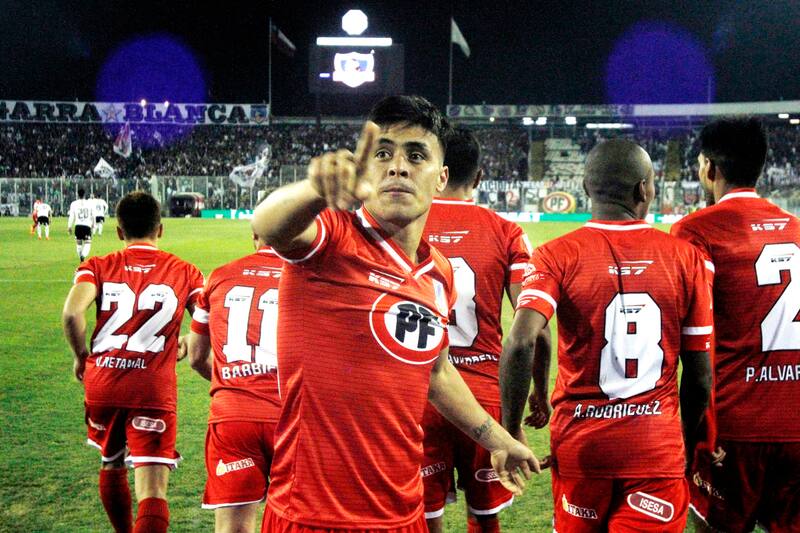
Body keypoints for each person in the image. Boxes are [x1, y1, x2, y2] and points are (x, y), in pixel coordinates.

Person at [251, 95, 540, 533]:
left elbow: (438, 372)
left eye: (416, 155)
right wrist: (314, 189)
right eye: (383, 153)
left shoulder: (437, 272)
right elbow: (270, 225)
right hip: (313, 515)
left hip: (403, 515)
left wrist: (498, 440)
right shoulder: (332, 236)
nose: (398, 167)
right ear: (365, 169)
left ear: (441, 178)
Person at [500, 139, 713, 532]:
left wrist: (510, 428)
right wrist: (688, 443)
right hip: (655, 449)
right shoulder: (686, 258)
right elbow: (699, 377)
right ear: (644, 189)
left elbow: (520, 341)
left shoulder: (554, 254)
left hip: (583, 449)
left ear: (585, 188)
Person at [671, 117, 800, 533]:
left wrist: (691, 439)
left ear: (710, 168)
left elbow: (689, 348)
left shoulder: (695, 232)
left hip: (733, 428)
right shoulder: (797, 229)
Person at [420, 127, 550, 533]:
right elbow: (536, 329)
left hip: (418, 395)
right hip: (483, 397)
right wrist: (539, 392)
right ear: (478, 178)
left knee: (423, 516)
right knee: (485, 515)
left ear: (437, 172)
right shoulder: (506, 231)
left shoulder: (403, 224)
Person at [62, 191, 204, 533]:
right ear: (161, 229)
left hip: (104, 381)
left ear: (119, 231)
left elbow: (71, 313)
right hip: (151, 387)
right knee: (153, 489)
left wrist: (81, 356)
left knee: (111, 463)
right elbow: (211, 320)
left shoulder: (96, 266)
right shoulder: (186, 271)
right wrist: (188, 341)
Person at [187, 233, 283, 533]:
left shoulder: (219, 276)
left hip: (233, 417)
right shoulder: (314, 276)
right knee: (295, 522)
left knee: (233, 529)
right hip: (293, 419)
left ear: (256, 235)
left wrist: (235, 381)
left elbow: (196, 356)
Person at [68, 188, 96, 262]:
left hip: (78, 226)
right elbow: (93, 215)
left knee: (79, 244)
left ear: (77, 194)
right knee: (88, 243)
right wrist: (94, 224)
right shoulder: (90, 203)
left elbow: (71, 216)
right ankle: (83, 256)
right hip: (87, 226)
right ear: (84, 194)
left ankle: (80, 257)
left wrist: (69, 226)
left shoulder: (73, 203)